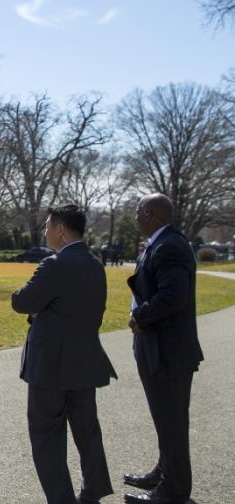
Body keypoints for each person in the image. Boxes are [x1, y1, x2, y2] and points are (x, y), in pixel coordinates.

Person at [12, 204, 117, 504]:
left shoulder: (55, 265)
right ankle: (93, 490)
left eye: (47, 226)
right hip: (85, 361)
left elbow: (22, 301)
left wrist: (35, 310)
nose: (45, 231)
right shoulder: (96, 264)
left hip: (50, 367)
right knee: (87, 432)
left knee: (47, 439)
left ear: (60, 229)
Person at [123, 193, 203, 504]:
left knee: (171, 421)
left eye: (138, 211)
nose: (135, 217)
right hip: (160, 349)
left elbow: (173, 296)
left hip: (168, 353)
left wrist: (139, 316)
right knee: (166, 419)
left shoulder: (169, 245)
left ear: (152, 213)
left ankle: (174, 490)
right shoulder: (163, 241)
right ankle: (164, 471)